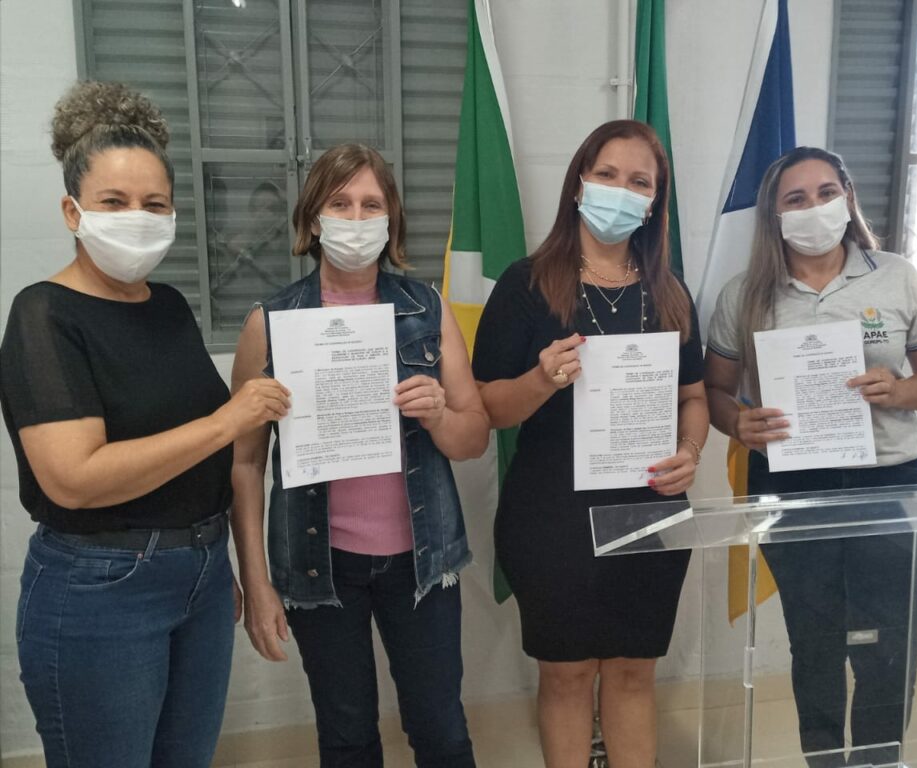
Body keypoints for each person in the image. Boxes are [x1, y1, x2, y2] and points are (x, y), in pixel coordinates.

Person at [0, 80, 290, 767]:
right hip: (100, 585)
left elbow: (206, 462)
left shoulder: (168, 307)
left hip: (199, 572)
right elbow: (74, 479)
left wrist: (228, 565)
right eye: (114, 202)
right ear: (72, 210)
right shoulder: (43, 315)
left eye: (154, 204)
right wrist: (229, 421)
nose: (137, 218)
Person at [704, 146, 917, 767]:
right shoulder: (745, 294)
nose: (814, 208)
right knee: (814, 640)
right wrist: (737, 421)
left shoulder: (895, 275)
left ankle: (878, 760)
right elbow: (714, 391)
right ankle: (823, 759)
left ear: (848, 196)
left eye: (826, 193)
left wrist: (900, 390)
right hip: (791, 481)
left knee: (887, 643)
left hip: (891, 480)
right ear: (774, 215)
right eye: (796, 199)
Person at [231, 143, 489, 768]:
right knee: (346, 737)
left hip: (421, 561)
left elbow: (474, 437)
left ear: (391, 219)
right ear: (313, 219)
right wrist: (257, 581)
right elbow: (245, 463)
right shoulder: (270, 322)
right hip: (321, 565)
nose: (355, 218)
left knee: (442, 733)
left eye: (371, 204)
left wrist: (438, 414)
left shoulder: (427, 309)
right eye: (339, 203)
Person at [472, 120, 709, 768]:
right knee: (567, 675)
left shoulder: (670, 293)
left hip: (649, 509)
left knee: (633, 674)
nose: (621, 191)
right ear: (579, 183)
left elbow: (693, 398)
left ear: (655, 202)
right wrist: (540, 380)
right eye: (607, 175)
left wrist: (691, 452)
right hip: (552, 516)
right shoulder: (525, 285)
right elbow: (488, 407)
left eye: (639, 182)